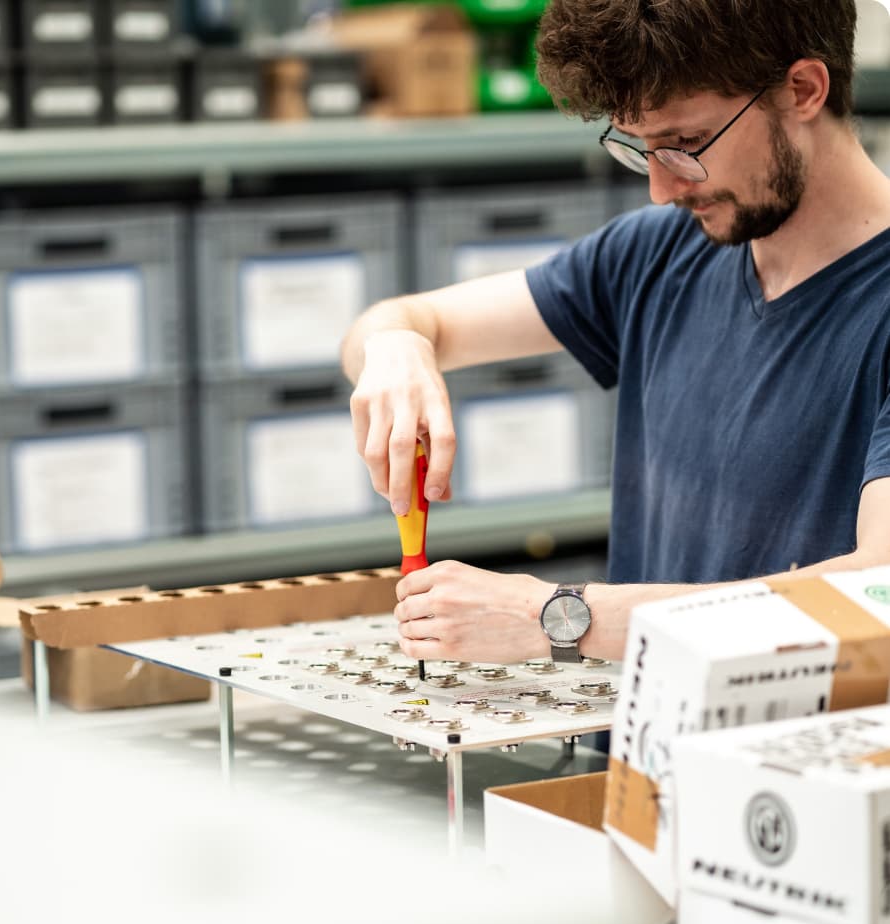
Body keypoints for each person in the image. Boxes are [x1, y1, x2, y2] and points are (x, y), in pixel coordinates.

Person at [340, 0, 890, 666]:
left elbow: (875, 593)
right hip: (638, 759)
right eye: (639, 148)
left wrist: (558, 618)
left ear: (803, 89)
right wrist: (397, 348)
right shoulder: (656, 253)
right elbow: (403, 321)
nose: (661, 189)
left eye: (687, 145)